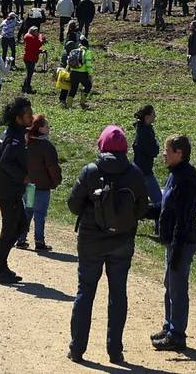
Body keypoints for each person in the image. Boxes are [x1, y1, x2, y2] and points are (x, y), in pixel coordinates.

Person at [66, 125, 150, 364]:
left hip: (91, 241)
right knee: (118, 295)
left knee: (85, 293)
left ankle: (77, 349)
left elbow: (73, 205)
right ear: (125, 147)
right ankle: (115, 351)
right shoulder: (134, 173)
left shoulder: (90, 171)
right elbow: (143, 208)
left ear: (101, 145)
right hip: (122, 241)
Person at [152, 134, 196, 352]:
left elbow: (184, 218)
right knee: (169, 286)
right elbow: (165, 206)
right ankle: (169, 326)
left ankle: (177, 335)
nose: (164, 154)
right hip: (173, 241)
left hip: (182, 241)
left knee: (178, 289)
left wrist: (178, 248)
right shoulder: (174, 174)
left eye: (167, 150)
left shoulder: (187, 179)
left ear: (179, 153)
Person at [0, 97, 33, 284]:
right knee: (11, 228)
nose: (31, 117)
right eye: (28, 114)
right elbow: (6, 162)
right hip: (7, 190)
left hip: (7, 189)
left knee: (20, 224)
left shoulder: (15, 132)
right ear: (18, 118)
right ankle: (0, 269)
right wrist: (23, 177)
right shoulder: (14, 137)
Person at [18, 113, 61, 251]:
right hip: (42, 187)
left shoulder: (26, 144)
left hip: (29, 186)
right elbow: (52, 167)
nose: (48, 128)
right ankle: (39, 241)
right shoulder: (46, 146)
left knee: (28, 211)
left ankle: (21, 239)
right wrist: (55, 182)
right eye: (46, 126)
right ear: (41, 129)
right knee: (40, 214)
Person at [132, 105, 162, 207]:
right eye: (153, 114)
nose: (155, 115)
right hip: (145, 171)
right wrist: (156, 144)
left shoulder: (143, 129)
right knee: (159, 201)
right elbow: (154, 151)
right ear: (147, 117)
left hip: (138, 168)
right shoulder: (145, 133)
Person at [65, 37, 94, 109]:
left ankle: (69, 105)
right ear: (87, 45)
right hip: (82, 73)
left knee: (73, 88)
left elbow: (68, 62)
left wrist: (67, 70)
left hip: (73, 73)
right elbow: (88, 64)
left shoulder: (73, 51)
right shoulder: (87, 52)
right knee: (88, 86)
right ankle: (82, 102)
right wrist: (90, 74)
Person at [21, 26, 44, 94]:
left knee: (29, 73)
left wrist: (39, 51)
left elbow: (33, 48)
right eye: (36, 32)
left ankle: (24, 87)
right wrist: (40, 37)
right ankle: (28, 89)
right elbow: (38, 44)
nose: (38, 33)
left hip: (28, 57)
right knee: (29, 74)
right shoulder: (31, 38)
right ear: (33, 32)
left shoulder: (29, 37)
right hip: (30, 58)